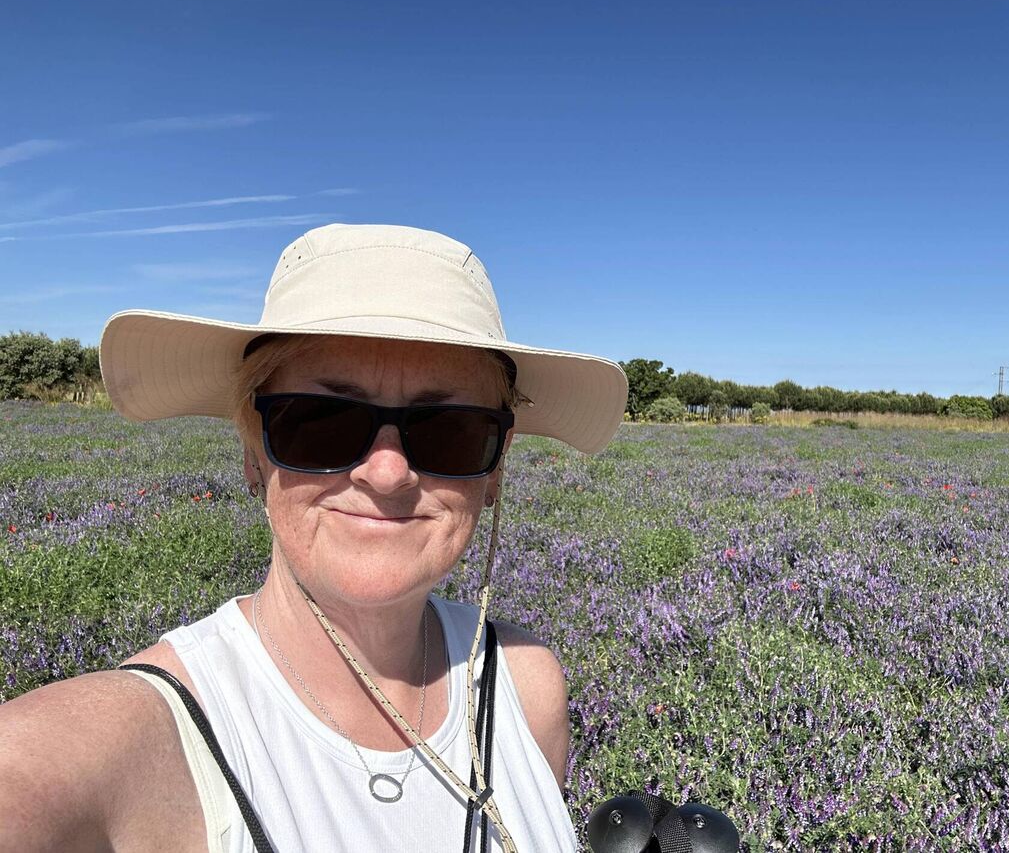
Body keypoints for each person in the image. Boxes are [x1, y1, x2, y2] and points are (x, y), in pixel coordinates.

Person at [0, 224, 628, 852]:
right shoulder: (135, 739)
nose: (386, 473)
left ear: (495, 467)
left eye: (449, 429)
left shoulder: (526, 687)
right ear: (254, 451)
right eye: (322, 422)